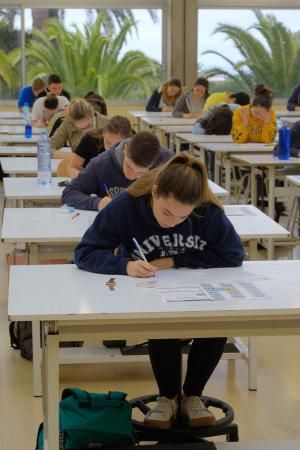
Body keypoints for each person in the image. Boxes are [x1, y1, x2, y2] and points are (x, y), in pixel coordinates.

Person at [74, 152, 244, 429]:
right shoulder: (127, 205)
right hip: (151, 287)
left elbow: (233, 254)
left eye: (182, 216)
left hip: (196, 287)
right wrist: (124, 265)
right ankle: (167, 397)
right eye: (166, 212)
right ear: (154, 192)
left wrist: (177, 260)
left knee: (216, 319)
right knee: (162, 321)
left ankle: (192, 396)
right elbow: (86, 252)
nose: (172, 222)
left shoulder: (207, 210)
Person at [61, 131, 173, 211]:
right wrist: (97, 203)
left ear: (154, 163)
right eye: (129, 166)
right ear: (126, 149)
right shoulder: (101, 164)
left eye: (141, 173)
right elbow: (69, 193)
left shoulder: (168, 163)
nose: (131, 176)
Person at [67, 115, 133, 178]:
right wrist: (86, 178)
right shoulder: (90, 139)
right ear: (103, 133)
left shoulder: (134, 145)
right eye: (108, 142)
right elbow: (72, 168)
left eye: (117, 145)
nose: (110, 149)